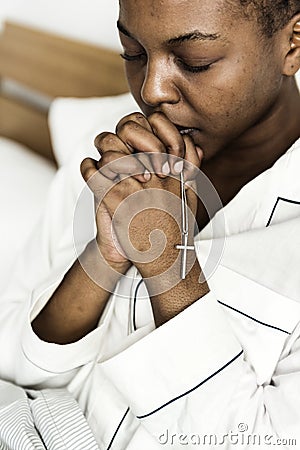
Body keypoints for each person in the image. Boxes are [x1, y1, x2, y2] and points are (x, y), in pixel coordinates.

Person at [1, 0, 300, 448]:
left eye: (194, 61)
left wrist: (168, 265)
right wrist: (104, 257)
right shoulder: (108, 158)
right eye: (133, 53)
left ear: (293, 43)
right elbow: (10, 361)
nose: (152, 89)